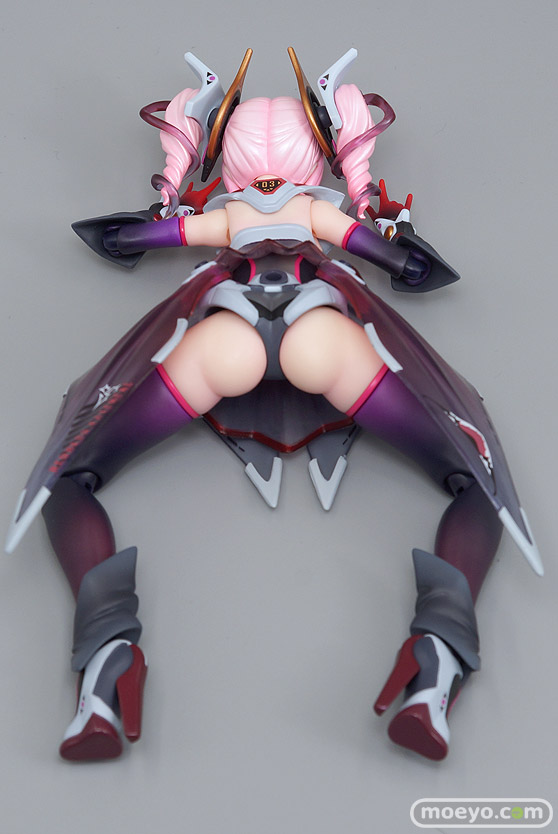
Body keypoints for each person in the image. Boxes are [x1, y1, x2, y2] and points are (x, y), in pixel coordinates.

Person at [6, 48, 540, 762]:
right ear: (313, 158)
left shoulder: (226, 216)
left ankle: (107, 667)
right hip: (319, 339)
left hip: (228, 343)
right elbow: (414, 269)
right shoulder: (317, 210)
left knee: (72, 475)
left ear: (227, 159)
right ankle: (436, 658)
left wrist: (169, 190)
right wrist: (377, 210)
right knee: (475, 479)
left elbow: (119, 239)